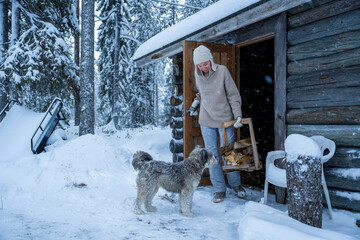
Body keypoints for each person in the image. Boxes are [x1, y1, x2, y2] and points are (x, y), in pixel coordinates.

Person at [188, 45, 246, 203]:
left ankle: (235, 185)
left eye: (205, 64)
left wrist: (238, 116)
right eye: (199, 65)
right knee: (211, 156)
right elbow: (201, 94)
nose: (203, 68)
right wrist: (194, 105)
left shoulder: (222, 71)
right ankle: (219, 189)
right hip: (206, 120)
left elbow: (233, 95)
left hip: (225, 120)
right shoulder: (198, 73)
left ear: (210, 60)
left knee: (229, 153)